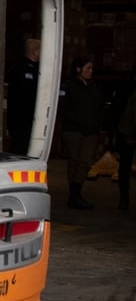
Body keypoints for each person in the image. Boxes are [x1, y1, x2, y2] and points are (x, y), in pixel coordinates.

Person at [59, 57, 104, 210]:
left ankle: (77, 190)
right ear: (78, 69)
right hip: (73, 130)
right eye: (87, 68)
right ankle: (73, 195)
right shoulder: (68, 85)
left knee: (85, 162)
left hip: (90, 131)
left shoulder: (93, 87)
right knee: (74, 161)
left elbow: (98, 107)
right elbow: (63, 108)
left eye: (91, 69)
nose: (90, 71)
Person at [5, 38, 41, 155]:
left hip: (34, 119)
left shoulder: (40, 69)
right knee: (20, 150)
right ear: (34, 51)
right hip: (20, 120)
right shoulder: (18, 68)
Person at [114, 71, 135, 211]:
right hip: (128, 133)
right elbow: (122, 111)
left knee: (125, 168)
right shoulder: (128, 87)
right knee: (125, 168)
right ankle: (124, 199)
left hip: (127, 132)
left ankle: (124, 199)